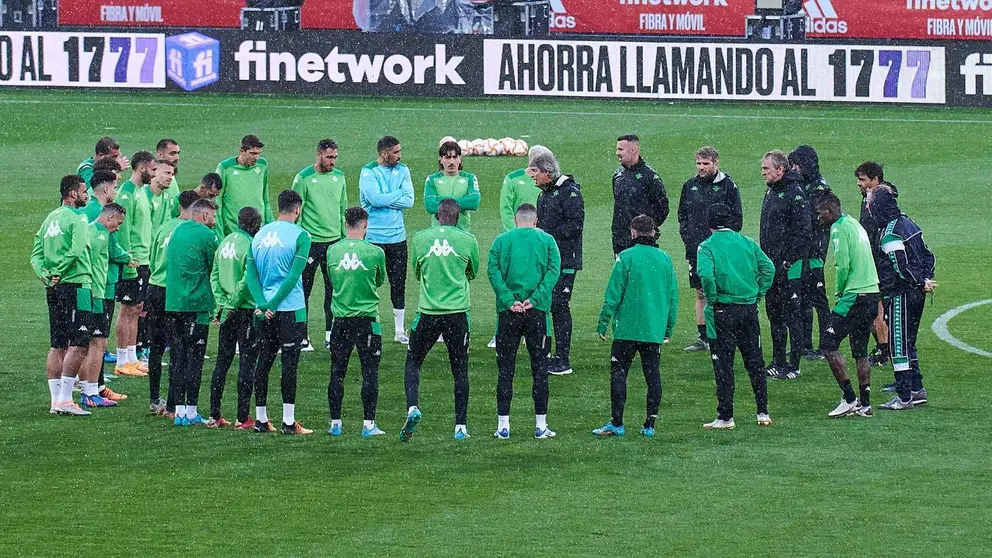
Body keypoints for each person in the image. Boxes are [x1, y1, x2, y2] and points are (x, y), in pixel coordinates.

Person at [399, 199, 480, 442]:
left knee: (413, 362)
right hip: (457, 313)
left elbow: (416, 271)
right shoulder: (468, 240)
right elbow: (472, 272)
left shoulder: (420, 239)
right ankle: (460, 426)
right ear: (457, 217)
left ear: (437, 215)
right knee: (459, 369)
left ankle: (413, 407)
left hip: (428, 312)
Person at [593, 215, 678, 438]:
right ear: (653, 233)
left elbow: (613, 293)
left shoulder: (626, 257)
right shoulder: (665, 259)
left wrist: (603, 322)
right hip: (653, 329)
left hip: (627, 329)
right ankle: (649, 425)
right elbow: (673, 297)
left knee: (620, 373)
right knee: (653, 375)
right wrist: (668, 328)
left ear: (633, 233)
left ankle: (617, 423)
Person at [697, 204, 776, 430]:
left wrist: (712, 300)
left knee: (724, 365)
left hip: (722, 310)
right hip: (748, 310)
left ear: (710, 223)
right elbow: (768, 269)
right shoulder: (747, 242)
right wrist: (757, 294)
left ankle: (725, 416)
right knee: (755, 362)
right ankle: (762, 412)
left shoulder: (707, 246)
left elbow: (706, 276)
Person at [488, 203, 560, 440]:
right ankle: (540, 426)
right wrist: (535, 299)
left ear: (516, 220)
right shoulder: (547, 241)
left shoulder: (501, 241)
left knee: (505, 369)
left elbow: (493, 271)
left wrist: (509, 300)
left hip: (508, 314)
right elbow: (553, 272)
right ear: (536, 220)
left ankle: (503, 426)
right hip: (536, 313)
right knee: (539, 369)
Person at [246, 189, 314, 435]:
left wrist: (262, 304)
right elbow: (294, 276)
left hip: (262, 310)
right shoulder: (301, 236)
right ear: (297, 209)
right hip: (290, 309)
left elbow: (250, 274)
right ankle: (288, 421)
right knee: (289, 364)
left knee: (263, 360)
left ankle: (261, 419)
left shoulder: (259, 234)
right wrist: (274, 305)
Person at [868, 187, 937, 411]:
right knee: (908, 341)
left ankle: (904, 395)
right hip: (916, 294)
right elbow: (928, 255)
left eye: (870, 203)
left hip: (901, 294)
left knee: (898, 345)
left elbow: (900, 266)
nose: (868, 207)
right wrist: (925, 278)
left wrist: (918, 281)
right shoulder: (908, 222)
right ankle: (917, 389)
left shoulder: (889, 233)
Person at [31, 175, 94, 416]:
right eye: (83, 191)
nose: (86, 195)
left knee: (57, 344)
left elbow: (35, 254)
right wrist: (59, 271)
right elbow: (77, 250)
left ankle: (55, 401)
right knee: (79, 343)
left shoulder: (49, 219)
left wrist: (46, 274)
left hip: (54, 288)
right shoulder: (78, 217)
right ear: (72, 194)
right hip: (77, 284)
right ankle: (66, 399)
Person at [815, 193, 880, 418]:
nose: (818, 217)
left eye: (819, 213)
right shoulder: (855, 223)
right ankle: (866, 404)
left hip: (855, 294)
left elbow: (843, 264)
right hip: (872, 292)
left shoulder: (838, 229)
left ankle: (849, 398)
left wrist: (840, 291)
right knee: (860, 350)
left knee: (828, 343)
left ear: (830, 211)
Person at [325, 207, 388, 438]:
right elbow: (379, 280)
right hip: (368, 320)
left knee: (337, 372)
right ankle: (368, 424)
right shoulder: (375, 252)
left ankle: (335, 423)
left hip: (340, 320)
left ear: (345, 224)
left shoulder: (332, 251)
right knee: (369, 372)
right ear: (365, 225)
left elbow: (332, 280)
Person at [677, 146, 742, 352]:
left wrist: (721, 241)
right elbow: (682, 216)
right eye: (699, 163)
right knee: (700, 292)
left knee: (722, 290)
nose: (702, 167)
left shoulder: (728, 186)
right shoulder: (690, 186)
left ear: (716, 163)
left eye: (706, 164)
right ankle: (704, 337)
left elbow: (736, 220)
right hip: (696, 249)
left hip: (720, 251)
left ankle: (724, 334)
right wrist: (689, 238)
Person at [529, 146, 584, 376]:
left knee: (560, 306)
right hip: (551, 260)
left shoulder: (569, 193)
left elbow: (575, 225)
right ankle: (550, 353)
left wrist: (547, 235)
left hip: (566, 260)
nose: (533, 177)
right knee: (549, 305)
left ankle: (563, 359)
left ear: (548, 172)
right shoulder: (545, 193)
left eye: (535, 173)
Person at [165, 199, 219, 426]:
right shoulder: (207, 235)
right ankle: (191, 410)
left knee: (178, 356)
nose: (215, 221)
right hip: (196, 304)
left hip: (174, 303)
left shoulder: (177, 230)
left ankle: (178, 411)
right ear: (205, 215)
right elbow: (214, 266)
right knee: (194, 358)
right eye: (214, 216)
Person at [146, 190, 200, 417]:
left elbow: (151, 258)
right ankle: (172, 405)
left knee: (156, 346)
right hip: (175, 291)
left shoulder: (163, 226)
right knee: (178, 347)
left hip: (154, 287)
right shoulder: (191, 231)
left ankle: (154, 398)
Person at [209, 206, 263, 429]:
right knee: (247, 363)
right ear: (253, 224)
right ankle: (243, 417)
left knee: (223, 360)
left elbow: (214, 275)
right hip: (243, 310)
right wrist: (232, 303)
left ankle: (215, 414)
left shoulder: (224, 242)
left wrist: (222, 303)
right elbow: (246, 280)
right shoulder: (250, 245)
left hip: (226, 310)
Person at [759, 150, 810, 380]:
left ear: (780, 169)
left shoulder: (795, 193)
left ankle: (794, 364)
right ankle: (778, 360)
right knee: (774, 314)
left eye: (766, 169)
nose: (763, 173)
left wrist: (788, 260)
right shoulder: (772, 191)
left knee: (792, 314)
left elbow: (803, 232)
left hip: (789, 267)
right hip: (772, 265)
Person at [293, 138, 348, 352]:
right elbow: (296, 212)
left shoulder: (340, 177)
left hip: (334, 242)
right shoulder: (304, 178)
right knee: (303, 291)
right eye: (329, 157)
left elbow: (343, 206)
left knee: (333, 291)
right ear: (319, 155)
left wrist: (343, 238)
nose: (332, 161)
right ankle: (302, 336)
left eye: (335, 157)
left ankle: (330, 335)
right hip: (311, 242)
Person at [359, 135, 415, 344]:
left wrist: (385, 198)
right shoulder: (368, 171)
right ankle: (369, 327)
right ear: (384, 153)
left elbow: (409, 201)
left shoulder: (403, 170)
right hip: (373, 237)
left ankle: (399, 331)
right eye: (396, 152)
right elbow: (374, 199)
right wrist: (397, 193)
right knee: (368, 285)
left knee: (398, 284)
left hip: (397, 237)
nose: (400, 156)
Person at [82, 171, 131, 402]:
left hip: (95, 292)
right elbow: (88, 265)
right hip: (95, 293)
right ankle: (91, 391)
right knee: (96, 342)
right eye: (118, 224)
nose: (118, 228)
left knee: (93, 342)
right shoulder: (98, 234)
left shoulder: (94, 230)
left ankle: (92, 389)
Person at [113, 151, 156, 378]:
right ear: (141, 169)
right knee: (128, 308)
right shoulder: (127, 194)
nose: (154, 173)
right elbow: (123, 230)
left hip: (144, 258)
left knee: (137, 309)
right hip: (134, 260)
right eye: (152, 169)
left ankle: (131, 357)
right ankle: (122, 360)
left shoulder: (141, 192)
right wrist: (128, 260)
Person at [789, 146, 831, 361]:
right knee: (804, 298)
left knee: (818, 299)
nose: (793, 168)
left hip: (815, 250)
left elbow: (814, 220)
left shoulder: (819, 188)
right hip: (803, 250)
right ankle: (805, 343)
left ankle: (826, 345)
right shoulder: (803, 184)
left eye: (797, 164)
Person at [856, 161, 900, 366]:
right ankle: (887, 349)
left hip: (879, 263)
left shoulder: (880, 201)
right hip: (872, 262)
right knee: (875, 309)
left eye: (863, 179)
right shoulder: (868, 198)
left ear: (876, 180)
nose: (859, 184)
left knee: (878, 309)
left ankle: (886, 351)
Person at [492, 165, 540, 349]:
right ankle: (502, 333)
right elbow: (505, 208)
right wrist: (514, 235)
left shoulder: (545, 241)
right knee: (510, 282)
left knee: (532, 284)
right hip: (516, 239)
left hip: (535, 241)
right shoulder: (513, 178)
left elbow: (492, 271)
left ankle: (537, 335)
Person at [612, 134, 669, 256]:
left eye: (620, 149)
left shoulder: (650, 177)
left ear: (633, 150)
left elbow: (662, 209)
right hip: (620, 240)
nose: (617, 153)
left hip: (643, 241)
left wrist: (645, 229)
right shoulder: (617, 174)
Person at [215, 135, 273, 238]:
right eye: (253, 153)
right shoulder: (225, 168)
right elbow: (217, 202)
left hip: (259, 232)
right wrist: (220, 235)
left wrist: (271, 225)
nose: (256, 157)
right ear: (242, 151)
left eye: (259, 153)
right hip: (234, 232)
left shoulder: (262, 165)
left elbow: (265, 199)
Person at [425, 140, 481, 232]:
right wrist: (459, 202)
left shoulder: (470, 178)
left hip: (462, 233)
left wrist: (443, 202)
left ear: (460, 159)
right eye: (447, 157)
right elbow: (430, 206)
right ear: (441, 159)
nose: (451, 162)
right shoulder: (432, 179)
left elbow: (474, 202)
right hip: (439, 234)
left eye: (455, 157)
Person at [145, 159, 179, 233]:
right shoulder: (145, 196)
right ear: (155, 172)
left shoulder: (166, 192)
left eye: (172, 174)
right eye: (167, 173)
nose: (170, 177)